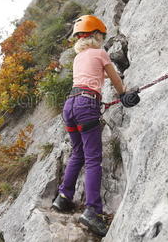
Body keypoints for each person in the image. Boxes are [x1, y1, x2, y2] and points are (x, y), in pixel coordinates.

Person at [52, 15, 140, 236]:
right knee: (93, 158)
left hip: (70, 105)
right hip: (87, 104)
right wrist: (123, 95)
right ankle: (93, 210)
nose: (102, 39)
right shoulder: (100, 53)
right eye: (101, 35)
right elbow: (115, 79)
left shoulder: (78, 57)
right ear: (96, 35)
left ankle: (63, 198)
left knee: (77, 153)